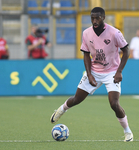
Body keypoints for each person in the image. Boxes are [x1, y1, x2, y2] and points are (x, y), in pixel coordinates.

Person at [50, 7, 133, 142]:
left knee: (114, 104)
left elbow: (126, 51)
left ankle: (127, 131)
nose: (94, 20)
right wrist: (89, 74)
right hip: (94, 70)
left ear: (103, 18)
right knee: (77, 99)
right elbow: (86, 55)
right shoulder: (86, 33)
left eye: (97, 18)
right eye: (92, 18)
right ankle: (61, 110)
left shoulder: (114, 33)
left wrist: (119, 71)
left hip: (112, 72)